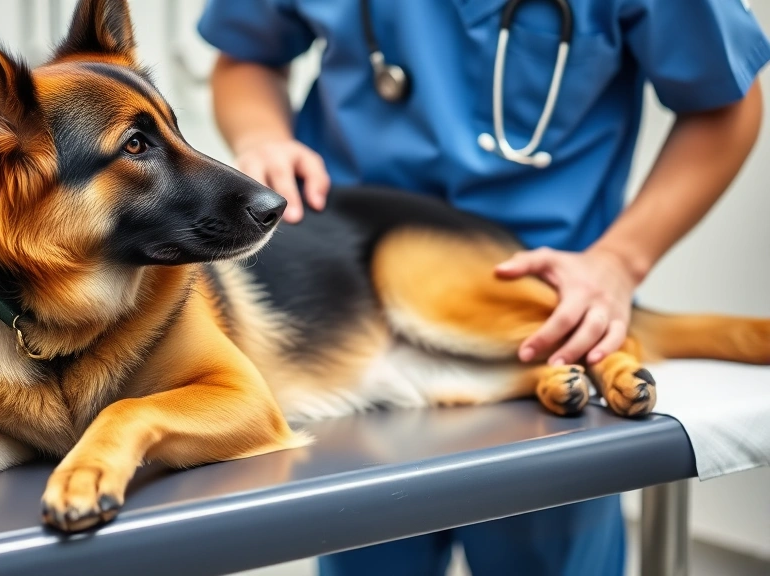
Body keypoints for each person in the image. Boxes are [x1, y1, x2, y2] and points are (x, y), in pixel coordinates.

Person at [196, 0, 769, 575]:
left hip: (547, 305)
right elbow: (247, 54)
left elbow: (727, 104)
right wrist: (262, 137)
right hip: (348, 308)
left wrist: (621, 259)